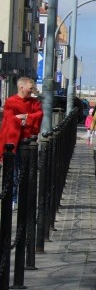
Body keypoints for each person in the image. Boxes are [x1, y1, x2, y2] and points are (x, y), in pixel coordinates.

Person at [0, 77, 43, 206]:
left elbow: (39, 114)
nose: (32, 91)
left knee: (27, 171)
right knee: (14, 172)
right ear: (21, 87)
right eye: (30, 88)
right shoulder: (11, 101)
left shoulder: (34, 102)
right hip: (14, 141)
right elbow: (9, 119)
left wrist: (25, 117)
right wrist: (24, 119)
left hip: (28, 141)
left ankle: (24, 198)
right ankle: (13, 198)